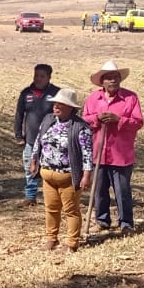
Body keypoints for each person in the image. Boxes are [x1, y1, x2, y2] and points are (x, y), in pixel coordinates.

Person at [82, 61, 144, 235]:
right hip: (98, 152)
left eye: (116, 77)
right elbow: (84, 120)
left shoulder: (131, 98)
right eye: (109, 78)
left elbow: (138, 122)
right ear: (102, 82)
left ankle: (126, 223)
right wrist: (97, 119)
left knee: (122, 190)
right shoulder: (93, 98)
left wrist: (119, 120)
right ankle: (102, 220)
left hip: (121, 154)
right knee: (99, 189)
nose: (113, 81)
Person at [29, 88, 94, 252]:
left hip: (68, 177)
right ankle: (51, 238)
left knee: (71, 210)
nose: (56, 106)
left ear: (71, 107)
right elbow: (39, 140)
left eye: (61, 104)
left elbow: (87, 153)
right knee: (50, 207)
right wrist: (34, 160)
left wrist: (86, 176)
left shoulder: (80, 127)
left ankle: (72, 242)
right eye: (55, 103)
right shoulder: (48, 120)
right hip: (47, 174)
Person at [14, 64, 60, 206]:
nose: (38, 79)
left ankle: (54, 197)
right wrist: (18, 135)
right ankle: (30, 196)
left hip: (51, 140)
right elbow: (19, 114)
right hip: (31, 139)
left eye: (42, 76)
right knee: (30, 168)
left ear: (49, 77)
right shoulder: (26, 93)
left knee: (52, 169)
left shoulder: (56, 93)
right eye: (36, 76)